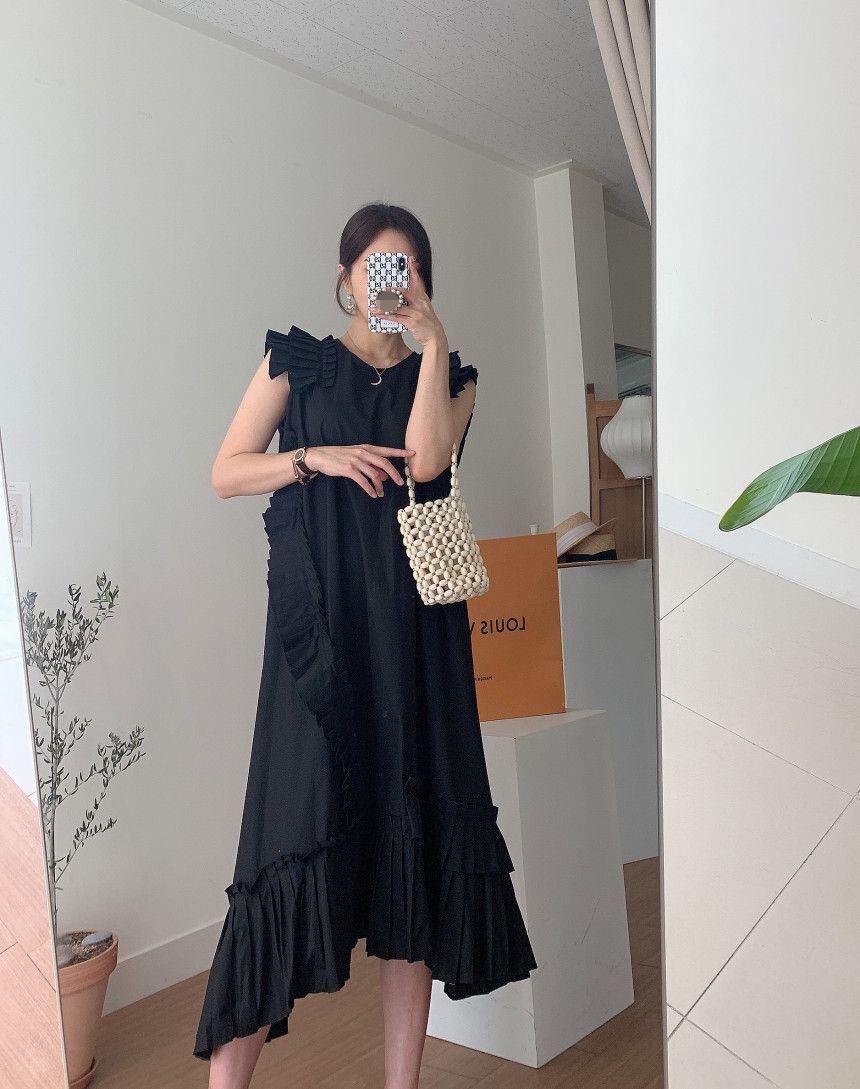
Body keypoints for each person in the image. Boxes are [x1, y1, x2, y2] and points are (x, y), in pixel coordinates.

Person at [194, 202, 537, 1089]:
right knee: (282, 847)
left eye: (407, 268)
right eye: (376, 267)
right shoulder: (297, 363)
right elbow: (226, 471)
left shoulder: (450, 377)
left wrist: (432, 340)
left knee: (409, 854)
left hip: (414, 646)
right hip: (322, 645)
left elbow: (425, 463)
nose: (390, 282)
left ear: (423, 281)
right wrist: (315, 457)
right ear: (345, 277)